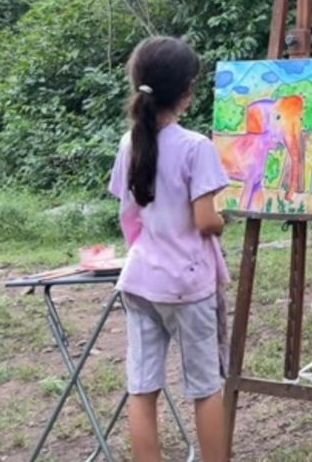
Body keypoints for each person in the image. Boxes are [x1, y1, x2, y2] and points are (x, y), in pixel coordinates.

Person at [107, 36, 231, 462]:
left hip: (140, 280)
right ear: (187, 91)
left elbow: (129, 215)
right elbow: (205, 220)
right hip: (189, 284)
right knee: (205, 386)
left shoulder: (130, 143)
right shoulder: (196, 147)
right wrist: (222, 220)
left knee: (142, 388)